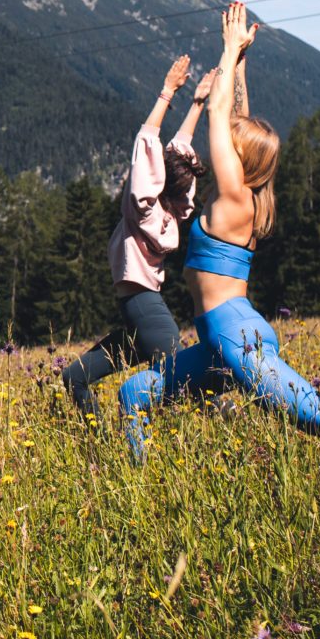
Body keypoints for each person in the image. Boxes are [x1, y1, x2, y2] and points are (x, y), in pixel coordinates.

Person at [118, 4, 320, 464]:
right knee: (135, 394)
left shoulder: (234, 200)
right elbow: (234, 116)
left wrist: (228, 48)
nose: (225, 140)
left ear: (239, 160)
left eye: (233, 143)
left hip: (237, 340)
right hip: (218, 341)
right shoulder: (247, 195)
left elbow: (220, 114)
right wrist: (242, 64)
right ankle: (138, 482)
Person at [61, 56, 215, 425]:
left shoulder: (142, 209)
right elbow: (179, 149)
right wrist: (196, 104)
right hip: (138, 315)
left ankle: (223, 418)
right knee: (73, 378)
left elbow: (147, 141)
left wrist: (167, 92)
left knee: (184, 390)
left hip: (145, 310)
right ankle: (101, 445)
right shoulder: (171, 212)